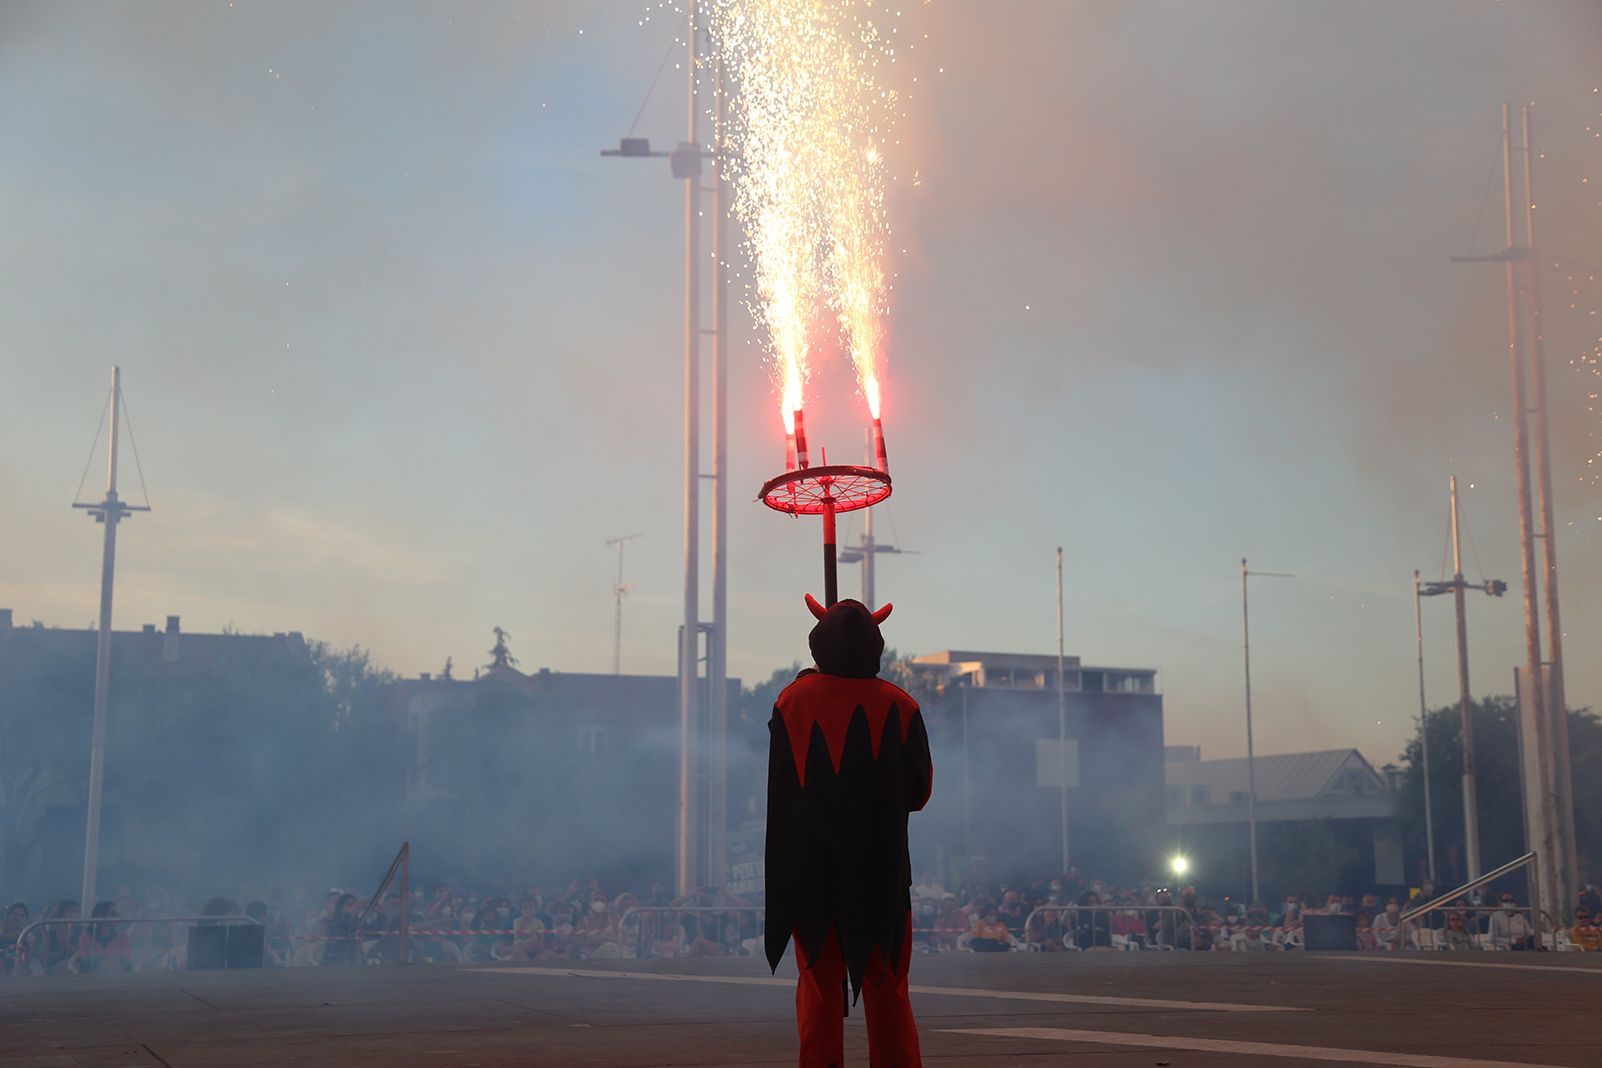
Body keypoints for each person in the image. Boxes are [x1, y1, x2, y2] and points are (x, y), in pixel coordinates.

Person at [765, 595, 932, 1068]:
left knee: (819, 988)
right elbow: (919, 793)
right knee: (888, 987)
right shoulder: (902, 706)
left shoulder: (791, 701)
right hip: (880, 874)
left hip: (810, 874)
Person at [75, 901, 132, 974]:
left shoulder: (122, 937)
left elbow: (127, 959)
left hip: (117, 975)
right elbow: (86, 959)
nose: (118, 916)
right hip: (92, 976)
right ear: (100, 916)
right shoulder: (86, 937)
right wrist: (105, 962)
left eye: (118, 913)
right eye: (114, 913)